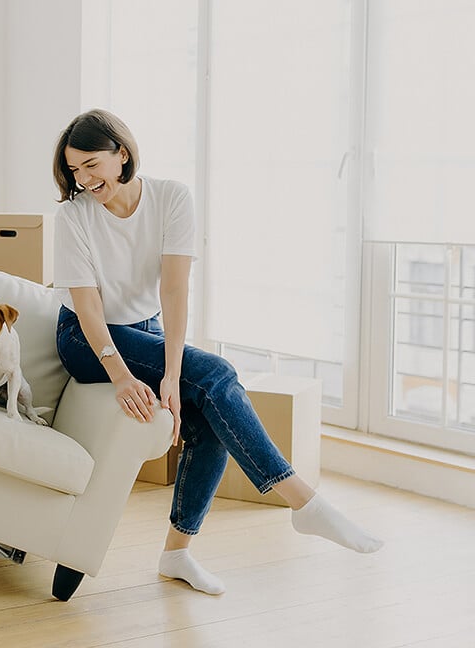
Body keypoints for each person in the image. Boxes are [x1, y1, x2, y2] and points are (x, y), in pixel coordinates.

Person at [51, 108, 381, 596]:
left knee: (206, 416)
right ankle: (303, 503)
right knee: (219, 374)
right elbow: (87, 307)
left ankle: (176, 554)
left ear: (122, 154)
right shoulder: (72, 216)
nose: (84, 179)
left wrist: (172, 371)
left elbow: (175, 292)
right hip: (84, 336)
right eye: (74, 170)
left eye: (91, 165)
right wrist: (122, 376)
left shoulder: (171, 198)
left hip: (147, 329)